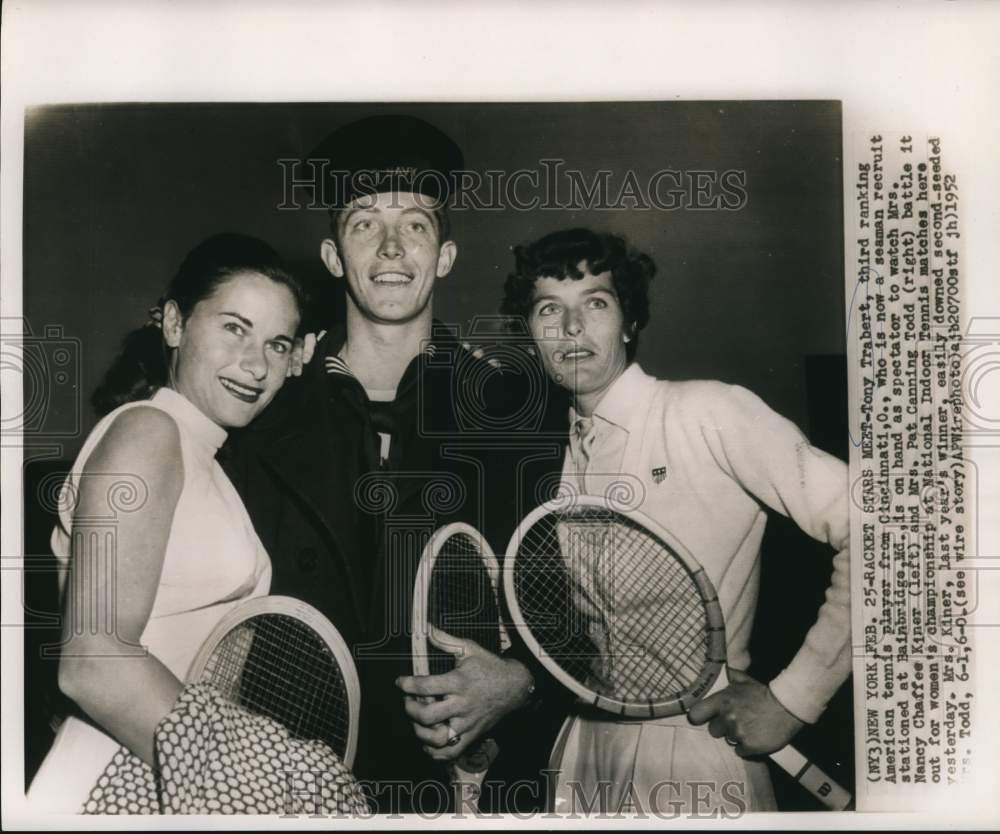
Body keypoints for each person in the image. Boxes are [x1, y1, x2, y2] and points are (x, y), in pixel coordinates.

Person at [224, 115, 568, 814]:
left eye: (414, 225)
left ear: (443, 256)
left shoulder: (514, 412)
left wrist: (521, 682)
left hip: (460, 784)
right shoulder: (257, 418)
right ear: (330, 255)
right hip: (293, 777)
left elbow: (562, 608)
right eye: (362, 225)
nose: (390, 248)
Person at [500, 227, 851, 814]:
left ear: (630, 321)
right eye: (548, 310)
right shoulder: (548, 458)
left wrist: (794, 699)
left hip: (700, 755)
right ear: (530, 334)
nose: (571, 329)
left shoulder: (707, 412)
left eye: (596, 303)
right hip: (580, 755)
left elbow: (886, 531)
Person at [27, 233, 367, 814]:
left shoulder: (204, 458)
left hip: (168, 775)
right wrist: (258, 770)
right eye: (234, 328)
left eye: (278, 343)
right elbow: (91, 662)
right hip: (113, 778)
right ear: (176, 325)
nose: (257, 363)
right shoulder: (145, 433)